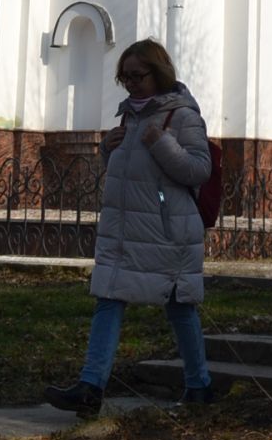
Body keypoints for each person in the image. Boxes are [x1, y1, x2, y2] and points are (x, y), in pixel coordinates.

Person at [44, 38, 214, 416]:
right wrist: (108, 148)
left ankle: (199, 385)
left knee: (179, 307)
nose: (132, 83)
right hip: (123, 231)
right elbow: (130, 175)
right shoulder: (129, 117)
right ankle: (90, 387)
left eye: (139, 76)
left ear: (159, 73)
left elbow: (200, 170)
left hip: (166, 233)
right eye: (126, 77)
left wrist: (162, 144)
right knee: (108, 298)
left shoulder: (182, 116)